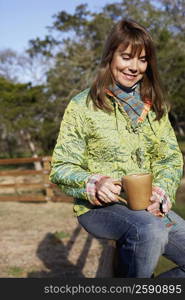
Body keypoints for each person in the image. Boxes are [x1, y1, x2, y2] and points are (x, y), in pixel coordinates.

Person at [49, 19, 185, 278]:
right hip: (100, 209)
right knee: (149, 230)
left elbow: (169, 158)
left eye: (142, 60)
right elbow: (61, 167)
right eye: (126, 57)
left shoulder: (155, 106)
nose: (134, 67)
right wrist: (94, 183)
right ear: (110, 56)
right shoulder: (82, 105)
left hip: (148, 206)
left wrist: (163, 193)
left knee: (152, 226)